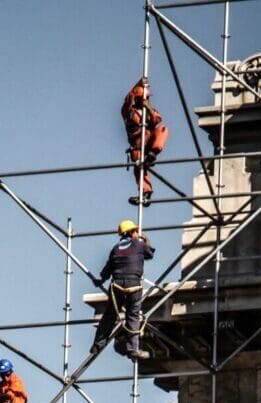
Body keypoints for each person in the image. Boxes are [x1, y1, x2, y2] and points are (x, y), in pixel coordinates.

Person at [90, 221, 154, 361]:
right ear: (132, 232)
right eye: (136, 231)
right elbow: (149, 255)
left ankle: (97, 345)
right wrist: (146, 242)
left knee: (110, 315)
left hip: (117, 285)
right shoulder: (139, 244)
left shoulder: (115, 248)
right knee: (133, 316)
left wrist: (100, 280)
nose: (138, 234)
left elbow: (108, 268)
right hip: (133, 285)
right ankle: (132, 349)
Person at [121, 78, 168, 207]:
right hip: (137, 145)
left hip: (149, 144)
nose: (146, 101)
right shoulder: (129, 113)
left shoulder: (150, 112)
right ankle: (145, 193)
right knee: (140, 168)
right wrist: (138, 84)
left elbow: (158, 119)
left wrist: (148, 108)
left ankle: (152, 154)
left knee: (163, 130)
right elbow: (126, 101)